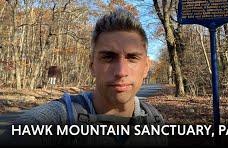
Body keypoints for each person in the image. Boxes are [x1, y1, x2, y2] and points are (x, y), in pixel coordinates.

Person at [0, 9, 167, 146]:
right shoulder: (57, 120)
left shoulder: (156, 121)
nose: (121, 71)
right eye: (108, 57)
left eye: (132, 58)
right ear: (92, 66)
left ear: (146, 67)